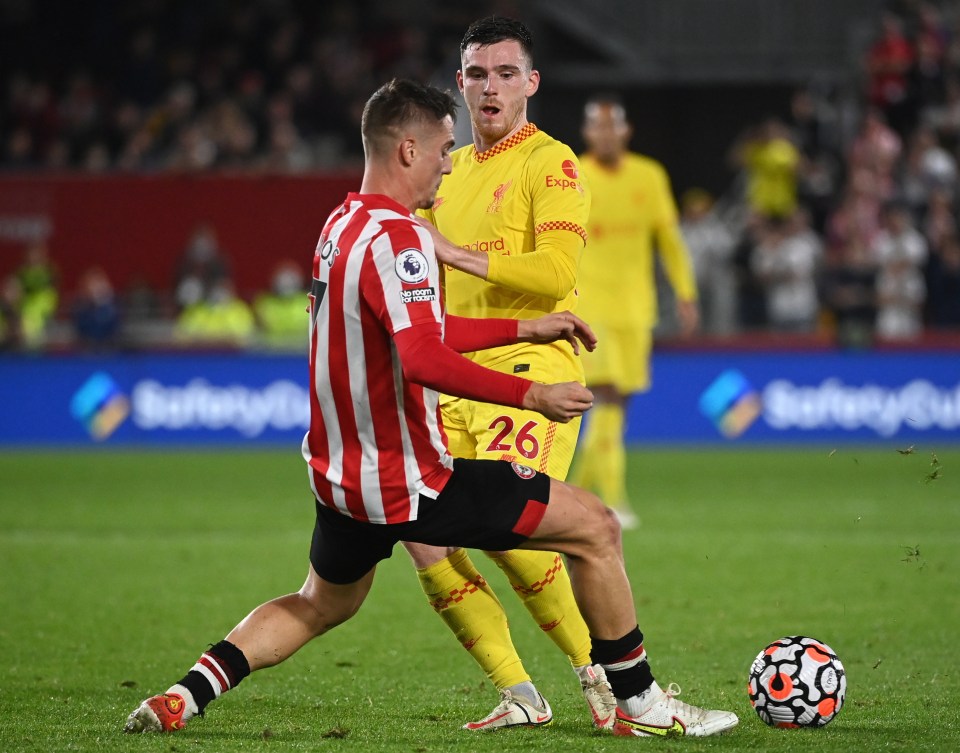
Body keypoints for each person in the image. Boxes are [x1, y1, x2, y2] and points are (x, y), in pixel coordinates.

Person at [122, 78, 738, 740]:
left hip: (340, 478)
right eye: (445, 148)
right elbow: (423, 359)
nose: (452, 161)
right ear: (408, 149)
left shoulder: (341, 225)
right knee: (594, 527)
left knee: (319, 601)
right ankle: (640, 701)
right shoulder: (402, 240)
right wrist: (531, 393)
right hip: (413, 480)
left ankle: (183, 695)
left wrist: (524, 330)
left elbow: (416, 329)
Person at [403, 17, 613, 731]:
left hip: (528, 366)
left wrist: (456, 254)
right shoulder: (447, 168)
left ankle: (602, 673)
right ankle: (520, 690)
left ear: (531, 84)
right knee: (423, 532)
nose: (489, 88)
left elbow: (556, 273)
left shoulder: (551, 164)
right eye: (475, 74)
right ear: (458, 84)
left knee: (503, 523)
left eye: (504, 74)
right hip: (446, 374)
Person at [569, 94, 699, 529]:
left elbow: (669, 239)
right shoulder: (573, 177)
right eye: (597, 127)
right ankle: (615, 500)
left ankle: (579, 495)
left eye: (613, 126)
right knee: (603, 394)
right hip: (588, 307)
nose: (605, 134)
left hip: (635, 308)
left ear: (626, 131)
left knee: (616, 403)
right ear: (587, 133)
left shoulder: (649, 175)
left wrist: (686, 291)